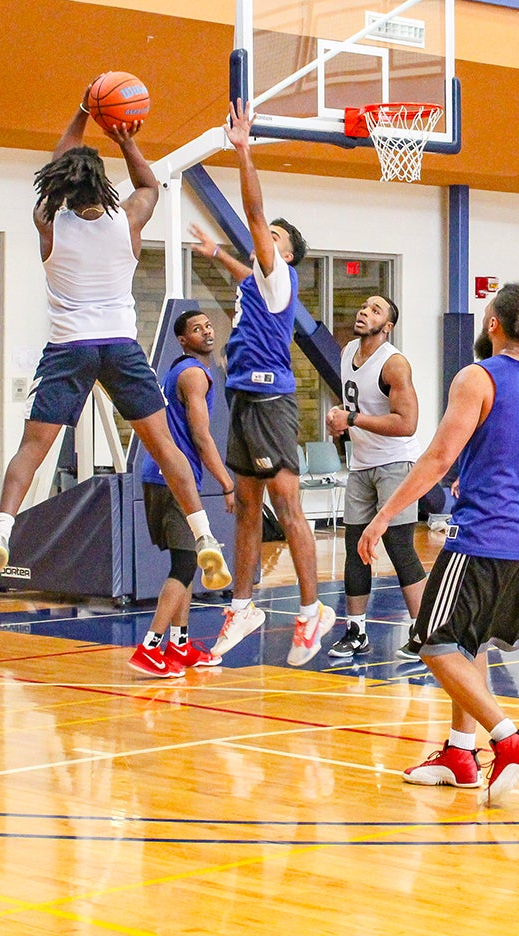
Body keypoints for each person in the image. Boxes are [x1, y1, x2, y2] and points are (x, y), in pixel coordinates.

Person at [0, 89, 228, 602]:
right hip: (120, 347)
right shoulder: (127, 220)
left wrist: (83, 113)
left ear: (60, 185)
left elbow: (58, 161)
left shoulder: (49, 225)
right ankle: (204, 535)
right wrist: (126, 140)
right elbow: (151, 183)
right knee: (164, 446)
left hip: (70, 347)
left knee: (32, 451)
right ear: (104, 185)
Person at [358, 283, 519, 803]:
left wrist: (383, 515)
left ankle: (507, 738)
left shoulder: (476, 377)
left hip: (480, 533)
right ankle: (459, 753)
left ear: (493, 322)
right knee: (467, 643)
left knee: (433, 641)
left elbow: (437, 458)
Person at [189, 99, 335, 666]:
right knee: (247, 509)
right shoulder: (257, 282)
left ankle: (309, 612)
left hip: (273, 401)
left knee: (288, 505)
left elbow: (254, 215)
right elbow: (246, 270)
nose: (264, 239)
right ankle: (242, 605)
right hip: (244, 400)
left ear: (287, 252)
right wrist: (218, 255)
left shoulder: (282, 279)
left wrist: (243, 150)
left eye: (273, 237)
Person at [129, 310, 235, 678]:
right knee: (187, 564)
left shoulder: (179, 371)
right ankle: (150, 647)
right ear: (182, 340)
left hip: (160, 475)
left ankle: (179, 643)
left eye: (208, 326)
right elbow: (202, 437)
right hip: (172, 478)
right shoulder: (193, 375)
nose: (206, 331)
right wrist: (226, 481)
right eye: (196, 328)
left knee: (186, 562)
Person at [325, 294, 426, 661]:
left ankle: (423, 632)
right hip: (361, 464)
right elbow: (357, 405)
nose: (365, 310)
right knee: (356, 550)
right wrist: (341, 415)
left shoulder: (394, 364)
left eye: (376, 309)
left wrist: (352, 420)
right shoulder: (348, 349)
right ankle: (356, 631)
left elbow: (407, 423)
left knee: (400, 549)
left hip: (395, 465)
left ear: (388, 326)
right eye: (364, 305)